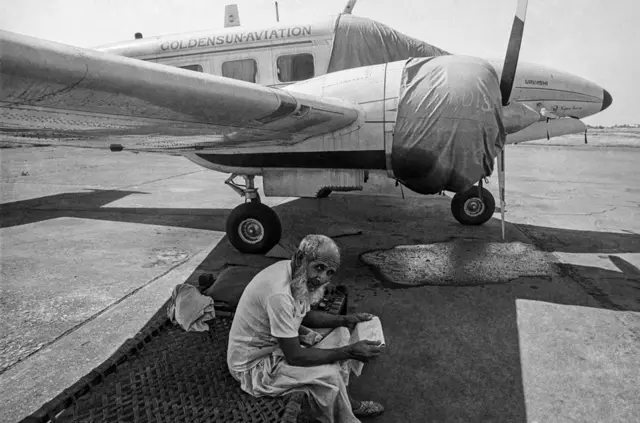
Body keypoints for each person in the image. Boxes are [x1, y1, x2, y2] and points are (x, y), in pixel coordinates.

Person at [227, 234, 385, 423]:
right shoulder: (279, 293)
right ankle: (345, 414)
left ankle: (345, 401)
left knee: (342, 332)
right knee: (330, 376)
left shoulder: (294, 272)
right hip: (254, 367)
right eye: (319, 268)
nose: (322, 278)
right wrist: (349, 351)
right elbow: (295, 356)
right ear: (301, 258)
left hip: (276, 347)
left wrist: (346, 319)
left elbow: (305, 315)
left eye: (329, 272)